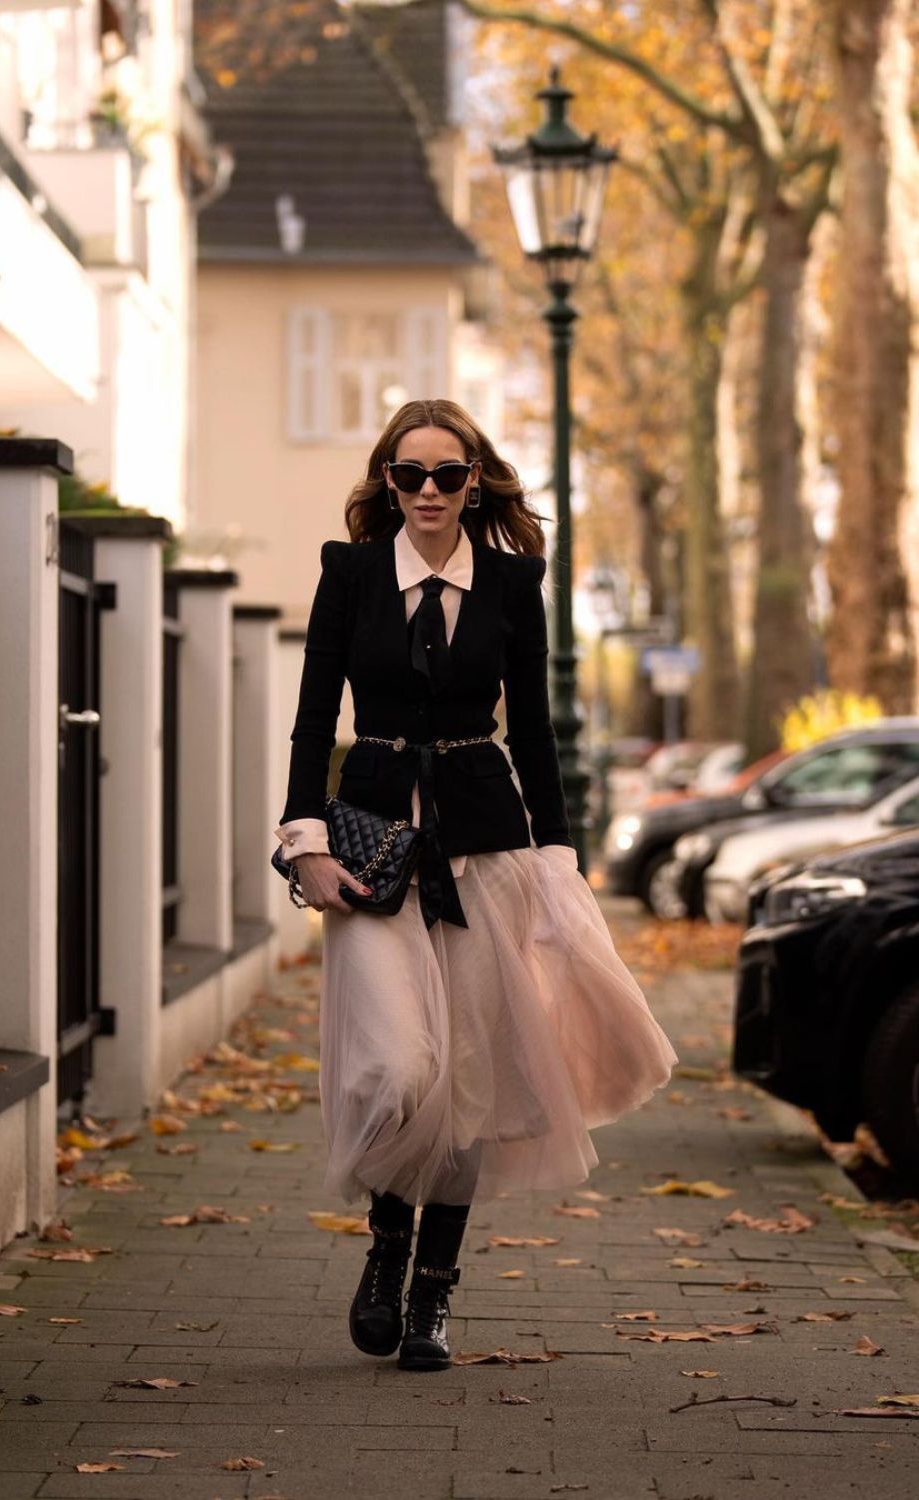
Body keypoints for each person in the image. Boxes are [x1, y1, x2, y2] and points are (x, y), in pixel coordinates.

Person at [275, 398, 677, 1372]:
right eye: (406, 475)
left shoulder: (511, 584)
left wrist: (558, 862)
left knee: (466, 1089)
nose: (425, 492)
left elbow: (533, 733)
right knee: (396, 1070)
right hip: (370, 854)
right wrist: (303, 844)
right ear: (385, 484)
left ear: (473, 482)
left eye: (445, 475)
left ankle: (428, 1297)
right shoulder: (350, 575)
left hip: (486, 852)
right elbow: (310, 717)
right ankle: (384, 1241)